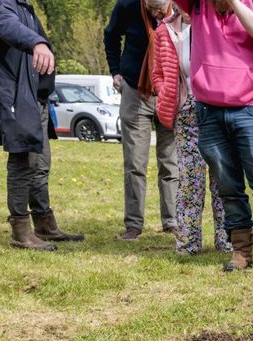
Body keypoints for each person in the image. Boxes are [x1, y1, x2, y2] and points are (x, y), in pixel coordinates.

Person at [175, 0, 253, 274]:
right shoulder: (198, 3)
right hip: (209, 108)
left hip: (251, 107)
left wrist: (236, 4)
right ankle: (241, 249)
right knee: (228, 185)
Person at [0, 0, 84, 250]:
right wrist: (36, 42)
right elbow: (4, 24)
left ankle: (44, 223)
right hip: (14, 96)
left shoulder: (23, 6)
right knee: (22, 161)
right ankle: (20, 231)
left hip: (34, 96)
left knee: (40, 163)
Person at [151, 2, 230, 255]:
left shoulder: (214, 22)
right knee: (189, 179)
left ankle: (227, 238)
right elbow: (158, 73)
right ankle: (188, 242)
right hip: (185, 109)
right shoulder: (165, 30)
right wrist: (167, 93)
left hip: (217, 106)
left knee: (222, 177)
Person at [105, 0, 179, 241]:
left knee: (170, 161)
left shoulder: (182, 9)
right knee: (135, 163)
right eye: (151, 10)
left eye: (161, 9)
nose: (157, 14)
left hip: (171, 94)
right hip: (136, 91)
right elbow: (111, 36)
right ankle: (134, 225)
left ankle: (172, 222)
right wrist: (116, 71)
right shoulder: (126, 6)